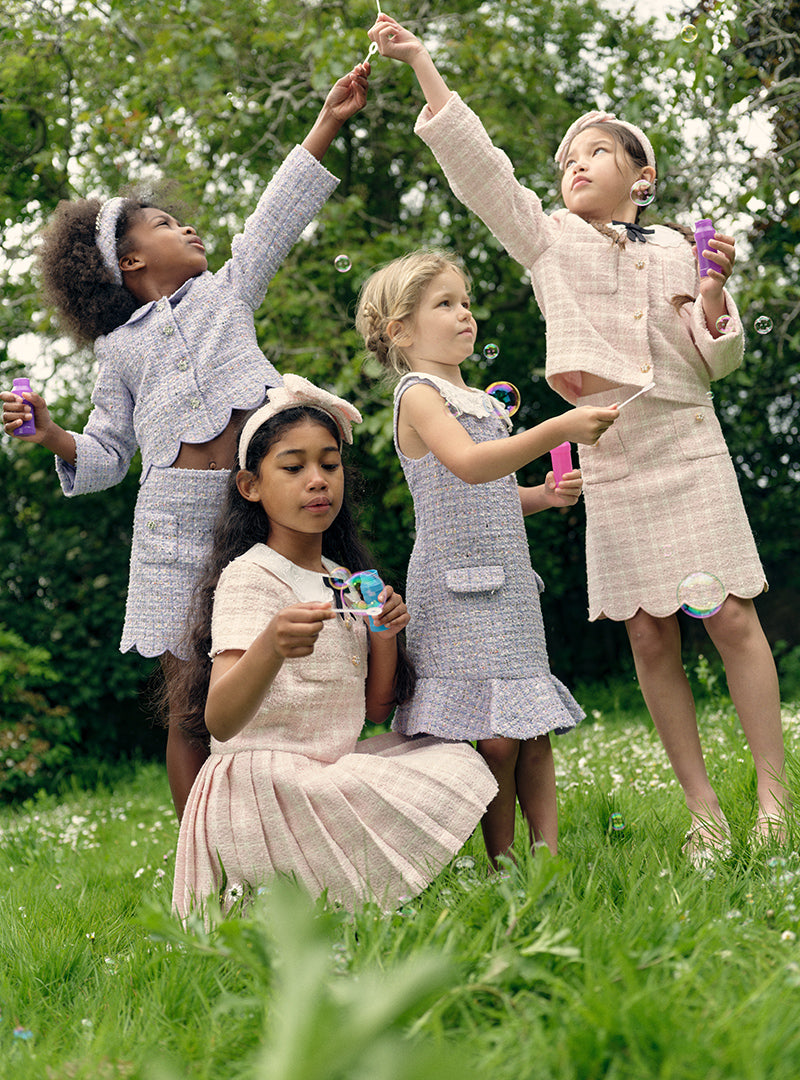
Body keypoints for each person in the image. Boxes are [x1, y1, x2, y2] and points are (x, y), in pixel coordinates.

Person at [367, 14, 791, 859]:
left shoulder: (678, 247)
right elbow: (481, 172)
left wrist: (715, 296)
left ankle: (776, 800)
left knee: (734, 617)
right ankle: (704, 811)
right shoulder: (548, 242)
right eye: (564, 161)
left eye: (592, 153)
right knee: (647, 631)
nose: (573, 166)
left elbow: (718, 361)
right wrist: (421, 65)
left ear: (642, 174)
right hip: (614, 455)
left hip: (686, 440)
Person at [1, 63, 370, 820]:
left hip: (252, 516)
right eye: (165, 225)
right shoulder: (118, 352)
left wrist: (328, 120)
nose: (187, 227)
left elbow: (273, 216)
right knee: (188, 706)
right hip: (169, 531)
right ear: (129, 263)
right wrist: (51, 435)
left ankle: (288, 818)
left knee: (266, 676)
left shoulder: (226, 293)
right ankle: (199, 863)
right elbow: (106, 455)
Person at [170, 375, 498, 915]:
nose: (317, 480)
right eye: (293, 467)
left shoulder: (342, 577)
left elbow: (373, 710)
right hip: (265, 788)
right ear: (250, 486)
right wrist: (270, 647)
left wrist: (385, 637)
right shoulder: (251, 577)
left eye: (329, 463)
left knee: (454, 760)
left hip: (325, 772)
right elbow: (220, 721)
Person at [355, 250, 618, 864]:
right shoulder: (418, 395)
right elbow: (470, 468)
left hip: (510, 589)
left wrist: (542, 497)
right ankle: (503, 865)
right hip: (453, 593)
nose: (464, 314)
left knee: (530, 730)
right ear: (400, 330)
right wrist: (560, 429)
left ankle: (546, 861)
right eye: (444, 304)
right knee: (495, 741)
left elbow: (493, 492)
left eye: (466, 301)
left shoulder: (484, 402)